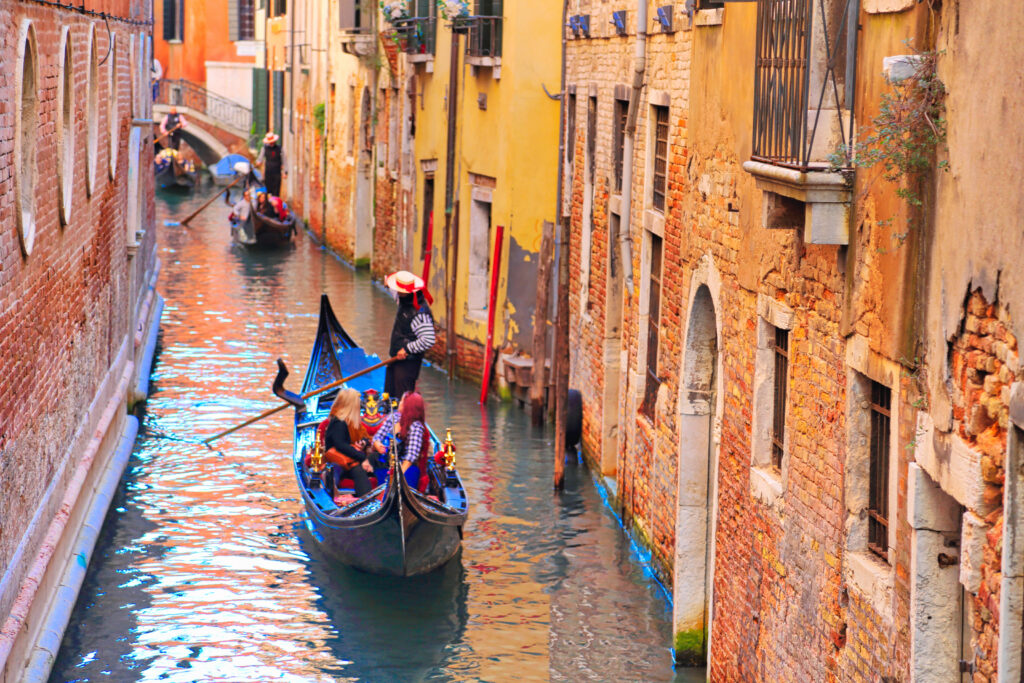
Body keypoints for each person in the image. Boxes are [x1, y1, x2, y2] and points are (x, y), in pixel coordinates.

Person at [383, 271, 436, 399]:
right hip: (395, 360)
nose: (396, 291)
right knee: (389, 397)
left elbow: (429, 339)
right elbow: (396, 295)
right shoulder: (405, 300)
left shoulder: (420, 314)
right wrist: (387, 284)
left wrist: (407, 349)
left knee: (402, 399)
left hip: (408, 365)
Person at [323, 388, 374, 497]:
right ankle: (366, 501)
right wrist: (362, 457)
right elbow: (341, 445)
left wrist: (362, 443)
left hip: (350, 457)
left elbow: (364, 436)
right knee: (358, 470)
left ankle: (370, 500)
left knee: (371, 464)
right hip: (337, 461)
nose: (359, 406)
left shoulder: (350, 421)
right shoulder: (339, 422)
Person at [372, 392, 430, 476]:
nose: (399, 403)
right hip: (386, 461)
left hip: (405, 466)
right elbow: (378, 436)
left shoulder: (416, 427)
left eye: (402, 401)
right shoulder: (394, 417)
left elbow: (411, 455)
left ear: (408, 406)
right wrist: (377, 443)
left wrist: (399, 474)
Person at [256, 131, 287, 197]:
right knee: (269, 191)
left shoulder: (280, 148)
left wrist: (285, 172)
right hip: (268, 173)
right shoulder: (264, 149)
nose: (272, 143)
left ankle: (275, 205)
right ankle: (269, 206)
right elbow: (260, 158)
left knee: (276, 191)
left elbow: (284, 160)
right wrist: (258, 162)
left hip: (277, 173)